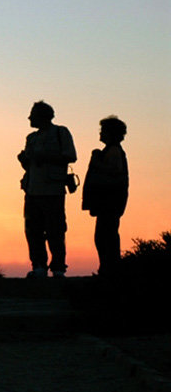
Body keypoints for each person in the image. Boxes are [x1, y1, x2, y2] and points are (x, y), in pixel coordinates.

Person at [17, 101, 77, 278]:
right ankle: (39, 267)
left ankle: (58, 268)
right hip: (32, 191)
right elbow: (30, 165)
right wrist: (24, 160)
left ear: (42, 116)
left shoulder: (60, 133)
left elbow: (70, 156)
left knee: (55, 231)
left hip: (53, 191)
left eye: (32, 114)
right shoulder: (31, 138)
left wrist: (44, 156)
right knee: (33, 231)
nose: (29, 118)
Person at [81, 116, 129, 276]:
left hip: (110, 201)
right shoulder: (112, 150)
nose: (100, 134)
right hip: (110, 201)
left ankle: (110, 270)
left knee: (105, 236)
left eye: (103, 131)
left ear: (110, 133)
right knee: (105, 235)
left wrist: (96, 162)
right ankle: (109, 269)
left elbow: (115, 171)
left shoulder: (114, 150)